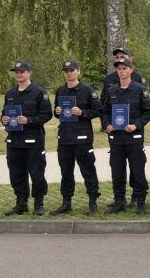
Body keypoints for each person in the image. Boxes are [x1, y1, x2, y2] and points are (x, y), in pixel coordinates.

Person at [101, 57, 150, 214]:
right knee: (117, 171)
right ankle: (119, 201)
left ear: (131, 70)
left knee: (137, 171)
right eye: (119, 69)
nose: (122, 71)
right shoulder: (111, 91)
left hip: (134, 138)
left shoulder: (140, 90)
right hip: (116, 139)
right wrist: (107, 124)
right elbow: (104, 112)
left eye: (125, 68)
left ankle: (141, 202)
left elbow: (148, 112)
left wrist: (136, 125)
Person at [50, 60, 103, 215]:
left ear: (78, 71)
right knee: (66, 171)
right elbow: (56, 112)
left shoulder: (87, 90)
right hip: (65, 137)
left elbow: (98, 110)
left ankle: (93, 201)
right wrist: (57, 112)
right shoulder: (60, 91)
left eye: (72, 70)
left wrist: (82, 113)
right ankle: (66, 202)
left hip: (82, 137)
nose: (69, 73)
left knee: (88, 170)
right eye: (66, 71)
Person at [1, 61, 52, 216]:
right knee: (16, 173)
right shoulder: (10, 94)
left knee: (36, 174)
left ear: (29, 73)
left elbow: (46, 115)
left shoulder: (39, 92)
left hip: (33, 141)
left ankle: (39, 204)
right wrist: (3, 119)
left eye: (22, 71)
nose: (19, 74)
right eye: (17, 72)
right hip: (14, 141)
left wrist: (28, 120)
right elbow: (4, 113)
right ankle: (21, 203)